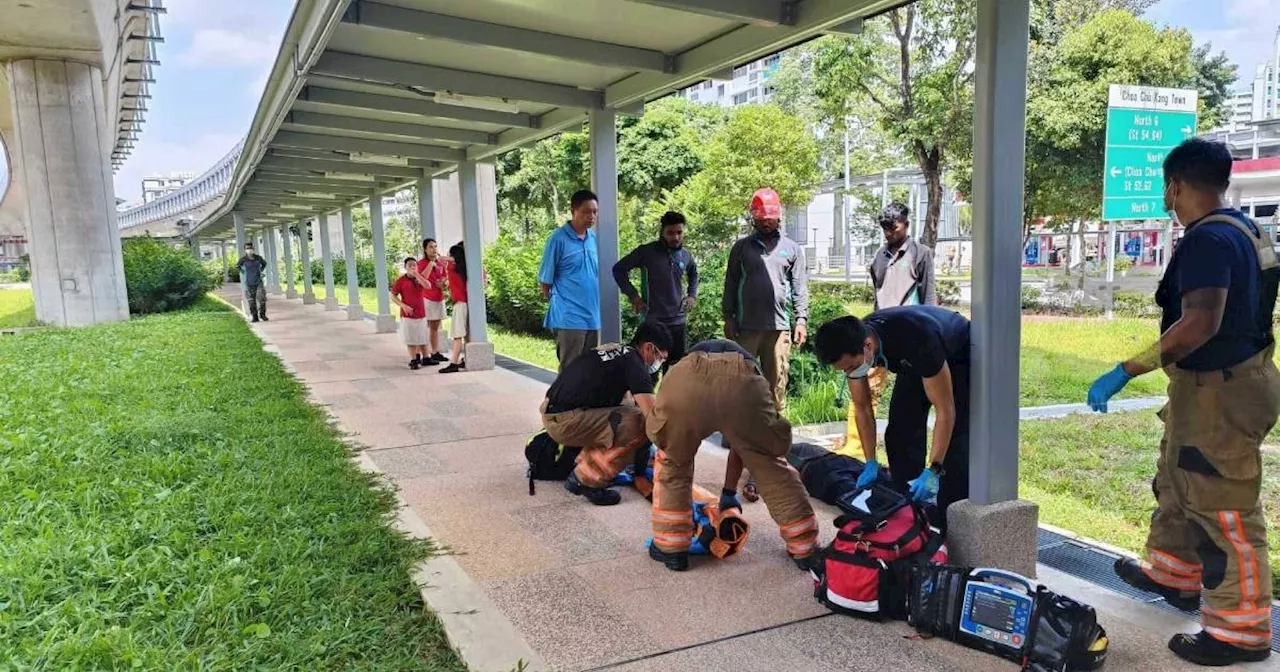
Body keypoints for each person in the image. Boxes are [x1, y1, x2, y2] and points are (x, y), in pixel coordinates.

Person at [1086, 138, 1275, 667]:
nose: (1166, 198)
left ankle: (1240, 632)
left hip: (1221, 389)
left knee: (1224, 511)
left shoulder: (1207, 241)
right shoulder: (1247, 229)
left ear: (1175, 185)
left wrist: (1126, 369)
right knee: (1178, 477)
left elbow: (1200, 322)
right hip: (1225, 383)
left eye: (1165, 189)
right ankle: (1173, 572)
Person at [647, 338, 819, 572]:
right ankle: (805, 548)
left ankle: (672, 549)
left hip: (686, 383)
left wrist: (729, 490)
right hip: (743, 385)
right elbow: (743, 445)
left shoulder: (687, 361)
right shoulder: (751, 368)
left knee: (673, 461)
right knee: (769, 464)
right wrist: (728, 492)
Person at [814, 309, 971, 529]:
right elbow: (862, 408)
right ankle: (908, 507)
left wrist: (934, 469)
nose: (849, 373)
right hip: (912, 357)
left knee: (956, 443)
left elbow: (945, 411)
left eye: (850, 367)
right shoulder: (856, 342)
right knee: (900, 431)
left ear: (868, 346)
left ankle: (950, 522)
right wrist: (870, 461)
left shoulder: (918, 340)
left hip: (957, 352)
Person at [723, 187, 810, 501]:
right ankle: (740, 445)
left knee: (774, 393)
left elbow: (800, 287)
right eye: (763, 219)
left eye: (773, 220)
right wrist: (728, 316)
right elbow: (731, 283)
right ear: (754, 218)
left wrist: (801, 320)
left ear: (779, 218)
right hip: (746, 328)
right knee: (745, 389)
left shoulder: (792, 249)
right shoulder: (742, 248)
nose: (769, 224)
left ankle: (769, 456)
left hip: (778, 329)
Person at [838, 203, 941, 456]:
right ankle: (856, 448)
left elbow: (929, 297)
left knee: (912, 400)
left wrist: (930, 329)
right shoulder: (879, 258)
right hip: (878, 336)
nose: (888, 232)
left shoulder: (921, 253)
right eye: (884, 227)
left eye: (893, 227)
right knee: (865, 387)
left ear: (906, 224)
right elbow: (878, 295)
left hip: (912, 337)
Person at [541, 323, 672, 506]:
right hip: (565, 422)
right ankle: (586, 478)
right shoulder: (634, 362)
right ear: (648, 347)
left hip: (554, 412)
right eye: (660, 357)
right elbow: (653, 417)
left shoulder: (618, 351)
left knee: (627, 407)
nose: (658, 363)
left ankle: (586, 460)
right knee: (639, 423)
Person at [612, 211, 699, 374]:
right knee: (646, 372)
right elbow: (619, 269)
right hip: (653, 321)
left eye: (679, 232)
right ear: (662, 232)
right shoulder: (646, 252)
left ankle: (670, 401)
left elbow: (693, 273)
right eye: (670, 233)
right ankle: (644, 400)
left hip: (678, 323)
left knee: (675, 372)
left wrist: (692, 295)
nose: (675, 237)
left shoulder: (685, 255)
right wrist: (634, 296)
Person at [539, 190, 601, 372]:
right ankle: (560, 401)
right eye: (586, 211)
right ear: (573, 210)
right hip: (570, 317)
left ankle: (582, 401)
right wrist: (562, 305)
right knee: (570, 368)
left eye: (595, 212)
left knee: (588, 368)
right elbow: (545, 281)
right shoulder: (557, 239)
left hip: (593, 316)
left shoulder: (594, 239)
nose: (592, 216)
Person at [390, 257, 429, 370]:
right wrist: (403, 306)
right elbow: (393, 296)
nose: (412, 267)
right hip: (408, 315)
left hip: (421, 313)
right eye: (410, 265)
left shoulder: (420, 278)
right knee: (410, 338)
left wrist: (417, 275)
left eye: (414, 265)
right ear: (405, 268)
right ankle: (413, 359)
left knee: (421, 337)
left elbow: (428, 286)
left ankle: (422, 356)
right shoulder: (401, 281)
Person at [417, 238, 449, 365]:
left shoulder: (441, 263)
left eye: (435, 246)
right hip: (426, 298)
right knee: (424, 326)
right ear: (425, 249)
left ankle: (435, 352)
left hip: (438, 297)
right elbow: (421, 278)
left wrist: (444, 283)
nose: (434, 249)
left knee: (435, 327)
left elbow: (446, 278)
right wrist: (430, 265)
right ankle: (422, 354)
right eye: (431, 247)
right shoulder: (421, 263)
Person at [440, 241, 468, 374]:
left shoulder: (453, 266)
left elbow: (443, 259)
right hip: (463, 302)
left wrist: (447, 257)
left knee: (457, 334)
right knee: (464, 334)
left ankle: (454, 362)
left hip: (460, 303)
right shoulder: (461, 267)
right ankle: (465, 359)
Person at [236, 241, 268, 323]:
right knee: (251, 301)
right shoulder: (243, 259)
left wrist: (260, 270)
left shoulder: (258, 258)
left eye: (250, 248)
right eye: (247, 248)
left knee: (261, 299)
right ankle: (254, 316)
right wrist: (243, 272)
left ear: (253, 249)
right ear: (245, 250)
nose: (249, 250)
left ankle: (262, 314)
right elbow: (238, 266)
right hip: (249, 283)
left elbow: (264, 264)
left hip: (258, 282)